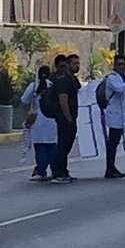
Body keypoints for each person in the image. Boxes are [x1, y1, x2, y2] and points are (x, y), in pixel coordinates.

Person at [20, 65, 58, 181]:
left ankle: (41, 171)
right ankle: (54, 169)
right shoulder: (53, 85)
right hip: (52, 119)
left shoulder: (34, 86)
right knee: (52, 146)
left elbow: (24, 100)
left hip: (37, 120)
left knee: (40, 147)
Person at [49, 55, 82, 184]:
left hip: (72, 117)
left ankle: (63, 170)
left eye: (78, 63)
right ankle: (58, 172)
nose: (77, 66)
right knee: (63, 145)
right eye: (74, 63)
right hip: (64, 118)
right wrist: (68, 118)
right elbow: (63, 101)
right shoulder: (63, 81)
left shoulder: (73, 80)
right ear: (68, 65)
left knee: (67, 145)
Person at [102, 52, 125, 179]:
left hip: (123, 114)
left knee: (115, 143)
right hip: (114, 115)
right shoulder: (112, 78)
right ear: (115, 65)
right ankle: (109, 168)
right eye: (120, 64)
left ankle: (112, 167)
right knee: (112, 143)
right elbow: (121, 89)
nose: (122, 67)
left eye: (124, 64)